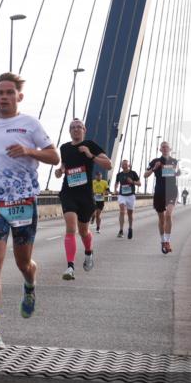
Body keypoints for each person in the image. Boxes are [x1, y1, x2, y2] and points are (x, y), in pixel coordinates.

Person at [0, 72, 58, 351]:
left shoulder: (30, 124)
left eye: (8, 92)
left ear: (19, 96)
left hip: (23, 201)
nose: (3, 97)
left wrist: (29, 150)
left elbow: (54, 157)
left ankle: (30, 283)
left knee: (22, 263)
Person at [53, 119, 112, 280]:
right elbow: (65, 165)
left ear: (84, 130)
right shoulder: (64, 148)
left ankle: (88, 252)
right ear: (69, 131)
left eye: (79, 127)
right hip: (68, 192)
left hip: (85, 195)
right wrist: (60, 171)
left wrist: (90, 155)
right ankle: (70, 267)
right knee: (71, 228)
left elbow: (108, 164)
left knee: (83, 231)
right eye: (73, 127)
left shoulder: (91, 145)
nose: (76, 130)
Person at [145, 140, 181, 254]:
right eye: (163, 147)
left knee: (168, 215)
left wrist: (177, 172)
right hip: (159, 192)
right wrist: (154, 168)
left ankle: (167, 241)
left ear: (170, 149)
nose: (165, 148)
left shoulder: (174, 161)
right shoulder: (155, 161)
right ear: (160, 149)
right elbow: (145, 175)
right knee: (161, 219)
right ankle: (162, 241)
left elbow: (173, 173)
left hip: (171, 190)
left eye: (167, 147)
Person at [114, 160, 141, 239]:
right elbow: (116, 183)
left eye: (125, 164)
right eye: (122, 164)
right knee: (122, 211)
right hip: (122, 195)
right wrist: (115, 189)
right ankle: (121, 230)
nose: (124, 165)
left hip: (131, 196)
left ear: (129, 165)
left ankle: (130, 228)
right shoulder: (119, 174)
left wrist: (132, 182)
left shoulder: (133, 173)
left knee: (130, 214)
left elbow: (139, 184)